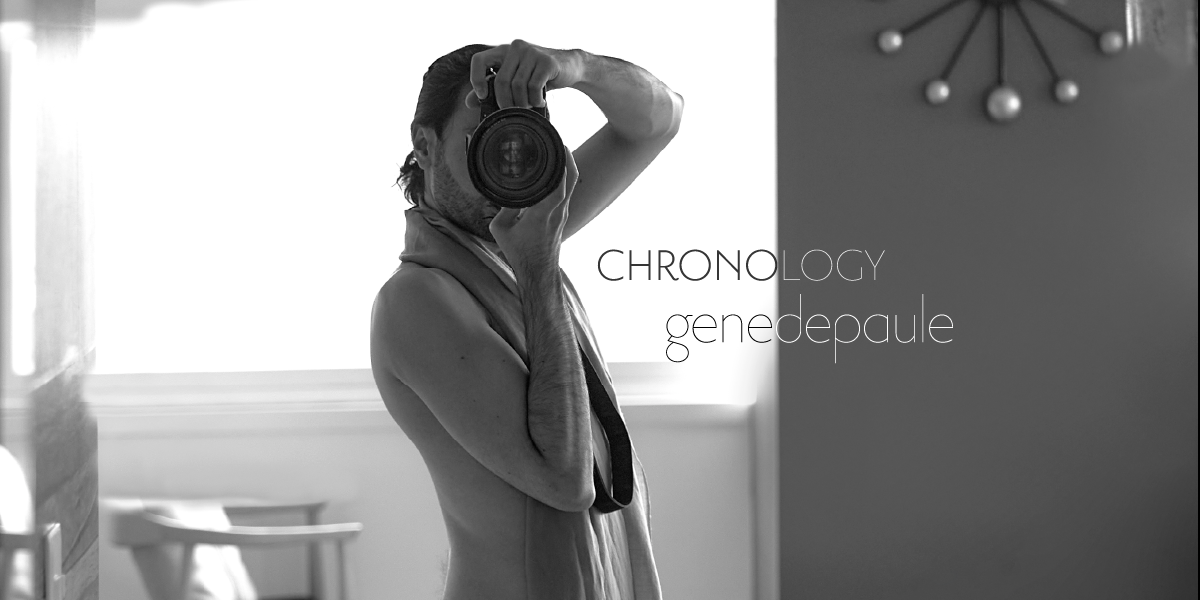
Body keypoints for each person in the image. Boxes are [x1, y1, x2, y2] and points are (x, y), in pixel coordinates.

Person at [369, 40, 683, 599]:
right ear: (426, 144)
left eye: (522, 120)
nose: (506, 145)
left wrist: (576, 68)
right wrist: (539, 266)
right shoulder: (416, 299)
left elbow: (659, 120)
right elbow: (565, 482)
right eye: (483, 123)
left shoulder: (510, 243)